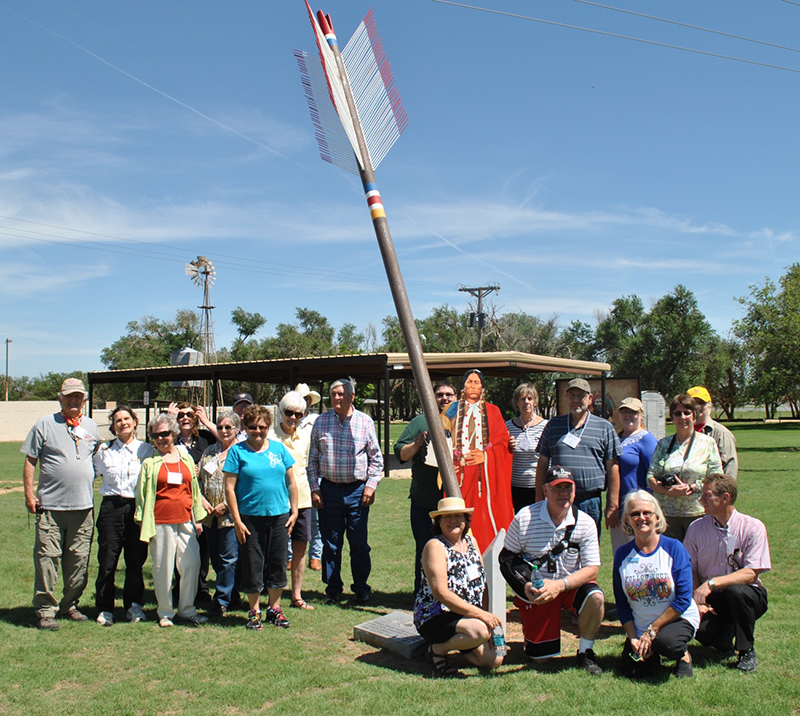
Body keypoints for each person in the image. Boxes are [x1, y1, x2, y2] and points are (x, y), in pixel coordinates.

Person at [499, 467, 605, 675]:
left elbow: (592, 569)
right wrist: (526, 585)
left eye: (568, 488)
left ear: (575, 492)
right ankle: (536, 638)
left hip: (568, 585)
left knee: (596, 598)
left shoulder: (586, 522)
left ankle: (586, 651)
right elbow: (506, 557)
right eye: (557, 488)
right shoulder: (525, 517)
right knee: (541, 660)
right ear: (545, 491)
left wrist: (559, 586)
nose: (564, 493)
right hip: (538, 590)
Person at [21, 378, 100, 630]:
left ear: (84, 400)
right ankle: (46, 610)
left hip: (83, 508)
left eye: (78, 397)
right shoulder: (44, 423)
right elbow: (30, 460)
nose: (74, 401)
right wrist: (29, 494)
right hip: (51, 507)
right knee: (48, 558)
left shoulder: (90, 426)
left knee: (79, 560)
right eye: (69, 397)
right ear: (60, 399)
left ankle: (70, 605)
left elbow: (96, 458)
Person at [684, 473, 770, 673]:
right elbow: (691, 568)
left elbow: (751, 573)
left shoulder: (752, 527)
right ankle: (725, 636)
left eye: (707, 495)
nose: (701, 500)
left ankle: (746, 650)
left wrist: (711, 584)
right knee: (700, 630)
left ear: (725, 498)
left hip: (747, 595)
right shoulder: (696, 529)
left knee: (736, 592)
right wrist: (699, 602)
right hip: (712, 598)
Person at [308, 378, 383, 605]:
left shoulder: (365, 422)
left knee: (359, 544)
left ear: (352, 396)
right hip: (328, 490)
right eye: (334, 394)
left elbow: (376, 460)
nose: (337, 398)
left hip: (357, 492)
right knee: (331, 543)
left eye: (341, 394)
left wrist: (370, 486)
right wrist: (315, 489)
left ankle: (361, 588)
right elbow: (311, 461)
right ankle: (332, 589)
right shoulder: (321, 422)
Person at [224, 404, 298, 629]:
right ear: (246, 427)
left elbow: (292, 482)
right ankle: (254, 611)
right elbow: (229, 488)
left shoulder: (278, 449)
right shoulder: (237, 452)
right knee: (253, 564)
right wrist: (237, 520)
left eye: (263, 427)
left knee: (277, 562)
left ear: (268, 427)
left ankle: (274, 609)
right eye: (253, 427)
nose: (258, 431)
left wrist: (294, 511)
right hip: (250, 519)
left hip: (279, 517)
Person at [613, 490, 700, 679]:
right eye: (635, 514)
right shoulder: (622, 554)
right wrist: (633, 638)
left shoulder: (674, 548)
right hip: (641, 627)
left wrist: (653, 631)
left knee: (667, 643)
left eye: (647, 513)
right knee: (633, 671)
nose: (641, 518)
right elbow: (621, 603)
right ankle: (651, 652)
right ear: (627, 519)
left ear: (657, 516)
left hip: (676, 618)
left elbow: (684, 599)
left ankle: (683, 656)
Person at [413, 497, 504, 676]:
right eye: (446, 517)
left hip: (467, 614)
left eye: (458, 516)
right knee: (480, 631)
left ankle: (461, 640)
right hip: (436, 615)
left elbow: (482, 583)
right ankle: (437, 650)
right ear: (438, 522)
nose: (453, 520)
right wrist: (481, 616)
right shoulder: (435, 546)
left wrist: (485, 614)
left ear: (465, 520)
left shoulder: (471, 542)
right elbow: (441, 593)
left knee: (493, 660)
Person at [134, 413, 208, 627]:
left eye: (165, 433)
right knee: (162, 568)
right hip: (161, 522)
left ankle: (187, 609)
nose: (161, 438)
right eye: (156, 435)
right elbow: (142, 495)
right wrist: (143, 521)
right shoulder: (150, 463)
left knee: (192, 564)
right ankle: (165, 612)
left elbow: (193, 490)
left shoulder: (185, 458)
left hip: (186, 519)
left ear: (174, 433)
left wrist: (198, 518)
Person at [534, 378, 622, 535]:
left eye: (580, 396)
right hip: (558, 498)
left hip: (590, 501)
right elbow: (542, 464)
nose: (576, 400)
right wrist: (540, 499)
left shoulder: (604, 427)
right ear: (566, 398)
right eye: (572, 395)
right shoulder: (553, 425)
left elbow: (613, 467)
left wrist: (613, 504)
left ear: (589, 399)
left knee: (587, 550)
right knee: (557, 547)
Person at [93, 405, 154, 626]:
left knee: (136, 560)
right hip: (111, 508)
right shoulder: (103, 451)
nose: (123, 423)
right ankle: (105, 608)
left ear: (135, 422)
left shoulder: (146, 450)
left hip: (136, 508)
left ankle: (133, 606)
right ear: (113, 425)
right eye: (118, 420)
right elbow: (91, 473)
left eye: (127, 419)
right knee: (108, 560)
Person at [394, 379, 457, 594]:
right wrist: (417, 443)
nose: (445, 398)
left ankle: (453, 593)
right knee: (425, 549)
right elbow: (401, 454)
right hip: (424, 502)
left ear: (456, 397)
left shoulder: (462, 422)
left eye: (449, 394)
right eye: (440, 394)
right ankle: (422, 594)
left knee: (456, 549)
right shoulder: (420, 422)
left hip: (456, 502)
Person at [441, 369, 513, 552]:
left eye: (476, 382)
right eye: (469, 382)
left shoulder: (493, 411)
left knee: (484, 522)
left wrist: (486, 456)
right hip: (459, 476)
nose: (473, 386)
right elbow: (441, 440)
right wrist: (450, 464)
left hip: (485, 480)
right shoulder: (451, 410)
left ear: (482, 387)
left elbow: (502, 443)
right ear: (463, 386)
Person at [646, 394, 722, 541]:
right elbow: (650, 476)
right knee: (671, 559)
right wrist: (668, 491)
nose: (683, 417)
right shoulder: (663, 444)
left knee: (698, 558)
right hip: (667, 514)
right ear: (672, 418)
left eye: (687, 413)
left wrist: (692, 488)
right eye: (677, 413)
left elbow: (717, 478)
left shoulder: (708, 443)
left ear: (694, 417)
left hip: (697, 512)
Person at [269, 390, 315, 610]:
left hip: (303, 501)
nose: (294, 418)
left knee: (300, 548)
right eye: (290, 413)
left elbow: (309, 466)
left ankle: (296, 595)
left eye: (299, 414)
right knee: (275, 550)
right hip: (277, 502)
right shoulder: (269, 437)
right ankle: (271, 595)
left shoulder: (306, 437)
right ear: (280, 412)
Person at [196, 410, 241, 618]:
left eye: (228, 427)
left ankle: (221, 600)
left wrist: (226, 505)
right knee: (215, 558)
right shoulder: (210, 451)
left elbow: (245, 484)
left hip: (231, 516)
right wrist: (202, 501)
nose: (223, 431)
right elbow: (199, 479)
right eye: (220, 427)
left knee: (228, 558)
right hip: (209, 516)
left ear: (236, 430)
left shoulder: (242, 452)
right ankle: (232, 596)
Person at [611, 397, 658, 554]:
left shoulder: (646, 440)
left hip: (638, 509)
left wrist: (645, 507)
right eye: (624, 412)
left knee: (640, 552)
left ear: (641, 415)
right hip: (618, 508)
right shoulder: (618, 438)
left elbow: (654, 473)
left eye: (633, 412)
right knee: (621, 553)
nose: (628, 416)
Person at [505, 382, 548, 514]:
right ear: (516, 403)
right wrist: (507, 447)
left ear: (535, 402)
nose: (526, 402)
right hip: (515, 487)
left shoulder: (546, 426)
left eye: (530, 398)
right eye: (522, 399)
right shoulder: (508, 426)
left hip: (538, 486)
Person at [294, 382, 322, 571]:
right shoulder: (287, 421)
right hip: (293, 473)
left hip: (314, 472)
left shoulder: (317, 420)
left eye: (306, 399)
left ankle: (315, 555)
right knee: (291, 515)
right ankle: (290, 555)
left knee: (316, 516)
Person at [687, 386, 738, 479]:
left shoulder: (722, 434)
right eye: (693, 403)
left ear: (709, 406)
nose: (697, 407)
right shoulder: (683, 431)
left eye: (701, 403)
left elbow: (730, 468)